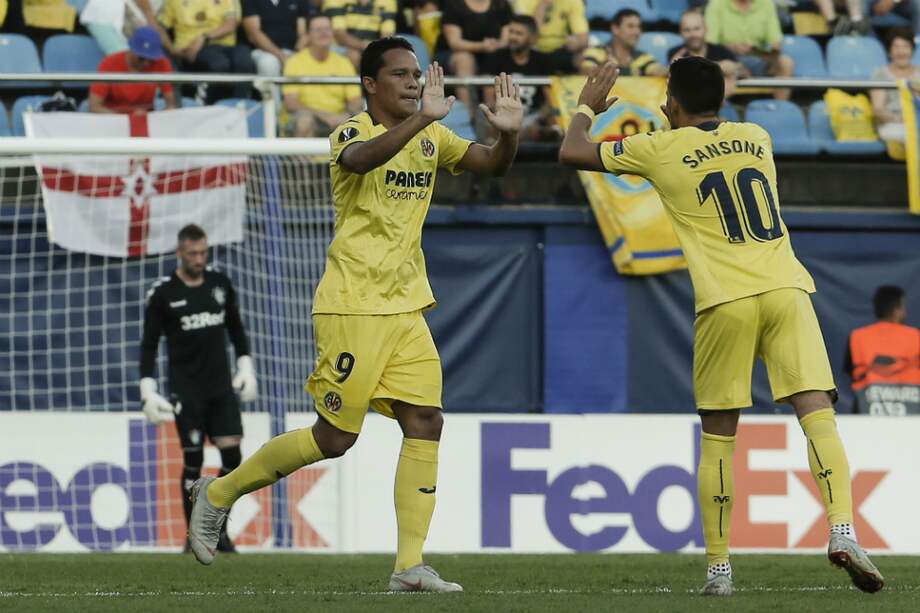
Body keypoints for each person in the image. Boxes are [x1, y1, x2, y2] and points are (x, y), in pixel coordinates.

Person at [187, 37, 523, 592]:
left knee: (426, 421)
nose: (414, 83)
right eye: (400, 75)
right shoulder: (351, 132)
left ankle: (409, 567)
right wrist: (423, 123)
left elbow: (490, 166)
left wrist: (507, 133)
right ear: (370, 84)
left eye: (417, 74)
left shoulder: (433, 134)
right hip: (353, 306)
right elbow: (360, 160)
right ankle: (218, 493)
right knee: (335, 438)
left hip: (407, 305)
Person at [558, 57, 884, 596]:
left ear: (675, 102)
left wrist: (586, 107)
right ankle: (844, 530)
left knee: (718, 437)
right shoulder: (755, 136)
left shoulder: (659, 147)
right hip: (785, 287)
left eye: (666, 96)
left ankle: (719, 570)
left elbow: (572, 151)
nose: (663, 103)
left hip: (724, 299)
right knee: (817, 415)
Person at [140, 224, 258, 554]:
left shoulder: (220, 284)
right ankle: (194, 537)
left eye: (203, 252)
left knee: (234, 460)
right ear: (180, 253)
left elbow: (236, 328)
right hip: (186, 392)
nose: (198, 259)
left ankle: (216, 529)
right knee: (193, 462)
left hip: (221, 389)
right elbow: (149, 344)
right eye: (192, 253)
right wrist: (147, 388)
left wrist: (245, 364)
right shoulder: (163, 293)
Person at [158, 0, 256, 102]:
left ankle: (239, 104)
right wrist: (173, 50)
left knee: (244, 57)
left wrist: (204, 38)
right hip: (192, 49)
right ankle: (208, 105)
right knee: (219, 63)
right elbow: (159, 27)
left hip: (225, 45)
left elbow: (231, 24)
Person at [282, 14, 363, 137]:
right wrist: (324, 116)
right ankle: (301, 157)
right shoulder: (295, 62)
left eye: (327, 29)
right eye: (318, 30)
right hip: (309, 117)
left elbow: (356, 100)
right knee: (305, 120)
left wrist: (345, 116)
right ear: (308, 35)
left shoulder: (343, 62)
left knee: (356, 120)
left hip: (338, 118)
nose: (323, 33)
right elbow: (291, 103)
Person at [845, 286, 920, 415]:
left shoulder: (857, 337)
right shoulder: (916, 337)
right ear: (897, 310)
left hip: (867, 415)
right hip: (913, 419)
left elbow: (851, 372)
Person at [483, 14, 559, 141]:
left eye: (519, 33)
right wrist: (505, 118)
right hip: (502, 113)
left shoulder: (544, 61)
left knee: (547, 125)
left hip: (534, 116)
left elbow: (550, 99)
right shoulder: (495, 58)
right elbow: (489, 98)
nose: (512, 37)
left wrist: (539, 118)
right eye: (511, 32)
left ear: (532, 38)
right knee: (493, 128)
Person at [704, 0, 794, 100]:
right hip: (727, 57)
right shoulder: (717, 3)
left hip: (757, 57)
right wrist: (732, 47)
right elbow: (710, 42)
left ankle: (780, 110)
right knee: (719, 65)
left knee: (785, 62)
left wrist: (758, 49)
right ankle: (710, 110)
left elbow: (775, 42)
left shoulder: (766, 3)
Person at [437, 0, 512, 115]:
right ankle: (468, 115)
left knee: (495, 59)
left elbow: (506, 40)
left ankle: (495, 115)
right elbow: (455, 42)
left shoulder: (501, 4)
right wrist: (482, 46)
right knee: (464, 59)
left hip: (492, 53)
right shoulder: (453, 5)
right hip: (454, 55)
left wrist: (495, 45)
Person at [89, 25, 178, 114]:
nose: (146, 63)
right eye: (141, 58)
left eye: (151, 59)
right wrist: (128, 119)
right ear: (131, 50)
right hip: (113, 119)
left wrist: (161, 117)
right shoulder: (109, 63)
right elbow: (94, 107)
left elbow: (171, 104)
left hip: (146, 118)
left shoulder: (161, 63)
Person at [667, 10, 740, 99]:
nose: (693, 34)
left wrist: (736, 69)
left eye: (697, 28)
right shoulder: (675, 53)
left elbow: (740, 72)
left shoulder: (722, 52)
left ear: (706, 29)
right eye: (687, 30)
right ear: (680, 33)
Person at [870, 29, 920, 150]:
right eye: (896, 47)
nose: (901, 52)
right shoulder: (880, 74)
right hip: (893, 124)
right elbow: (878, 109)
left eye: (905, 47)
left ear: (912, 50)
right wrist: (902, 119)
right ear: (889, 51)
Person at [580, 8, 667, 77]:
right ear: (615, 29)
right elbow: (586, 70)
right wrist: (632, 72)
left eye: (639, 27)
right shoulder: (596, 52)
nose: (637, 32)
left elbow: (658, 70)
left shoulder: (643, 57)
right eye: (630, 26)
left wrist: (674, 69)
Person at [242, 0, 311, 77]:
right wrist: (281, 56)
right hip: (262, 51)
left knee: (305, 62)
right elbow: (254, 34)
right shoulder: (251, 1)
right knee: (268, 63)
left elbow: (303, 33)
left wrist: (296, 54)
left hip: (292, 51)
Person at [513, 0, 588, 71]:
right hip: (531, 49)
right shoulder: (522, 1)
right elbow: (530, 36)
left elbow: (584, 39)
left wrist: (575, 43)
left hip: (560, 51)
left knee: (585, 56)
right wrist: (543, 5)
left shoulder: (573, 1)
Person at [324, 0, 398, 67]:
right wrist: (367, 46)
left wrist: (378, 49)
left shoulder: (388, 1)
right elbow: (339, 35)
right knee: (354, 55)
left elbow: (388, 34)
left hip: (373, 47)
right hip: (341, 46)